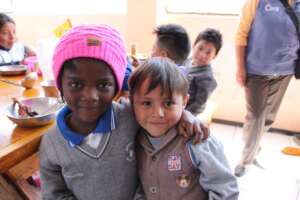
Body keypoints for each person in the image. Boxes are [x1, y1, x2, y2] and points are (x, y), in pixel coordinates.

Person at [39, 24, 206, 200]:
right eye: (76, 84)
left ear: (117, 88)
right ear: (60, 86)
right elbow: (54, 194)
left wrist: (185, 116)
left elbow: (161, 109)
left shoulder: (129, 115)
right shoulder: (52, 144)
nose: (90, 96)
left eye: (103, 85)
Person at [129, 57, 239, 200]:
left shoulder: (197, 139)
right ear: (132, 103)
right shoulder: (135, 139)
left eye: (168, 103)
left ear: (184, 102)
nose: (158, 113)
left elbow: (226, 190)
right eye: (146, 103)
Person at [234, 0, 299, 177]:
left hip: (285, 70)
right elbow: (241, 34)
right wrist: (240, 69)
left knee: (268, 117)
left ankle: (254, 147)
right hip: (256, 70)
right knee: (255, 116)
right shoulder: (257, 2)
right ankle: (245, 159)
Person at [186, 28, 222, 116]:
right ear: (194, 46)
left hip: (186, 112)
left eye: (208, 52)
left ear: (215, 55)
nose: (202, 55)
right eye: (200, 48)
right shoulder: (187, 61)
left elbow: (199, 105)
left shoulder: (207, 78)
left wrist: (183, 114)